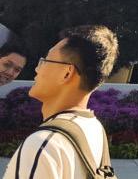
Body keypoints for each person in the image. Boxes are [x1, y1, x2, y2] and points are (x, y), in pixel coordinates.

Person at [3, 26, 118, 179]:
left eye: (45, 61)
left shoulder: (43, 145)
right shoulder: (95, 129)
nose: (37, 69)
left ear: (66, 73)